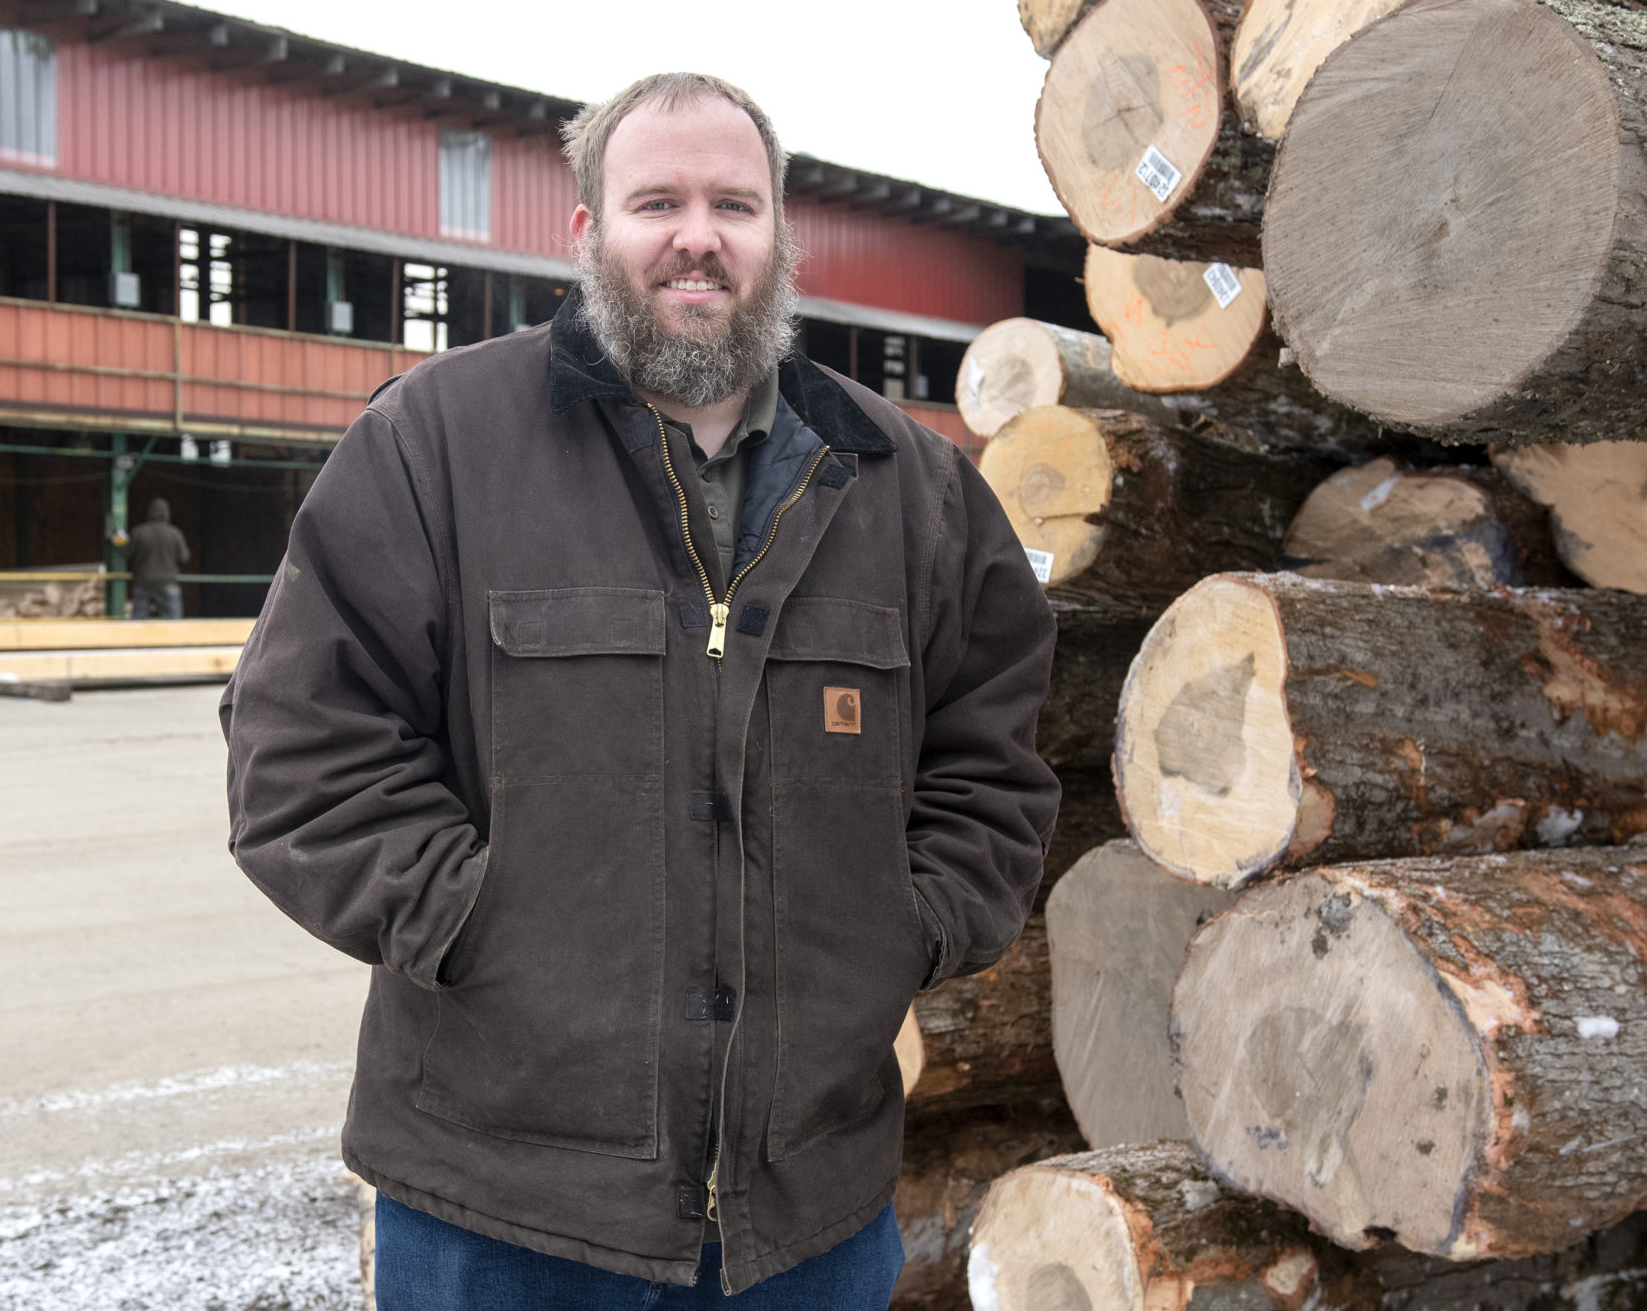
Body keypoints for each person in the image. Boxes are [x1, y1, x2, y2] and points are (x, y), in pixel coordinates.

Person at [221, 72, 1059, 1307]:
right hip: (501, 1213)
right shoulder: (435, 444)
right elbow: (298, 749)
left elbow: (992, 767)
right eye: (654, 200)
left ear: (779, 235)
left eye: (735, 203)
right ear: (584, 233)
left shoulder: (910, 489)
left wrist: (905, 927)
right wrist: (472, 922)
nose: (696, 236)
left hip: (805, 1225)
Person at [124, 497, 188, 619]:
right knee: (174, 623)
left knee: (138, 622)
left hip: (142, 582)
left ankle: (135, 638)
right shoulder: (174, 533)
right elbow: (184, 557)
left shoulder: (138, 532)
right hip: (167, 582)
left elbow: (127, 554)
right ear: (167, 513)